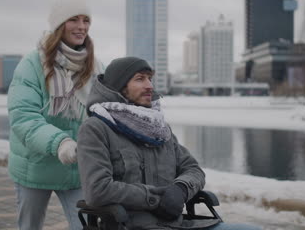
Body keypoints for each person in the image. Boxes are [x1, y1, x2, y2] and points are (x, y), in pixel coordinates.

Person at [77, 57, 261, 230]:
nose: (149, 86)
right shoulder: (96, 129)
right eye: (140, 79)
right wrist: (156, 199)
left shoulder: (159, 129)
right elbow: (98, 190)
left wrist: (180, 189)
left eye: (150, 79)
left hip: (176, 225)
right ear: (119, 86)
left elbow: (194, 170)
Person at [7, 0, 103, 230]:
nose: (82, 27)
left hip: (76, 169)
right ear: (60, 24)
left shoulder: (96, 66)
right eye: (74, 19)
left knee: (86, 227)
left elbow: (106, 111)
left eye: (86, 20)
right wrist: (60, 143)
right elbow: (23, 117)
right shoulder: (32, 65)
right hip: (35, 165)